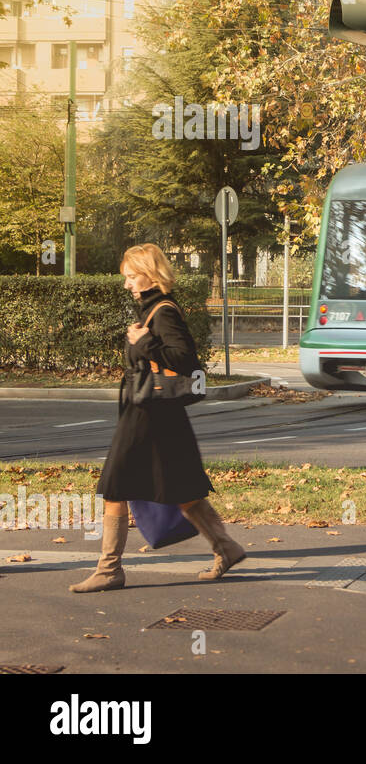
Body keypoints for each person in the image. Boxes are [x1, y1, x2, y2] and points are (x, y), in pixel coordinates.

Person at [70, 244, 245, 593]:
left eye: (131, 277)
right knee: (182, 487)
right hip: (158, 413)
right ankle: (226, 547)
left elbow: (184, 357)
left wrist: (146, 341)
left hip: (148, 413)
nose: (127, 285)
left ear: (150, 274)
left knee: (115, 485)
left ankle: (109, 570)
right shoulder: (153, 309)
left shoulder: (163, 312)